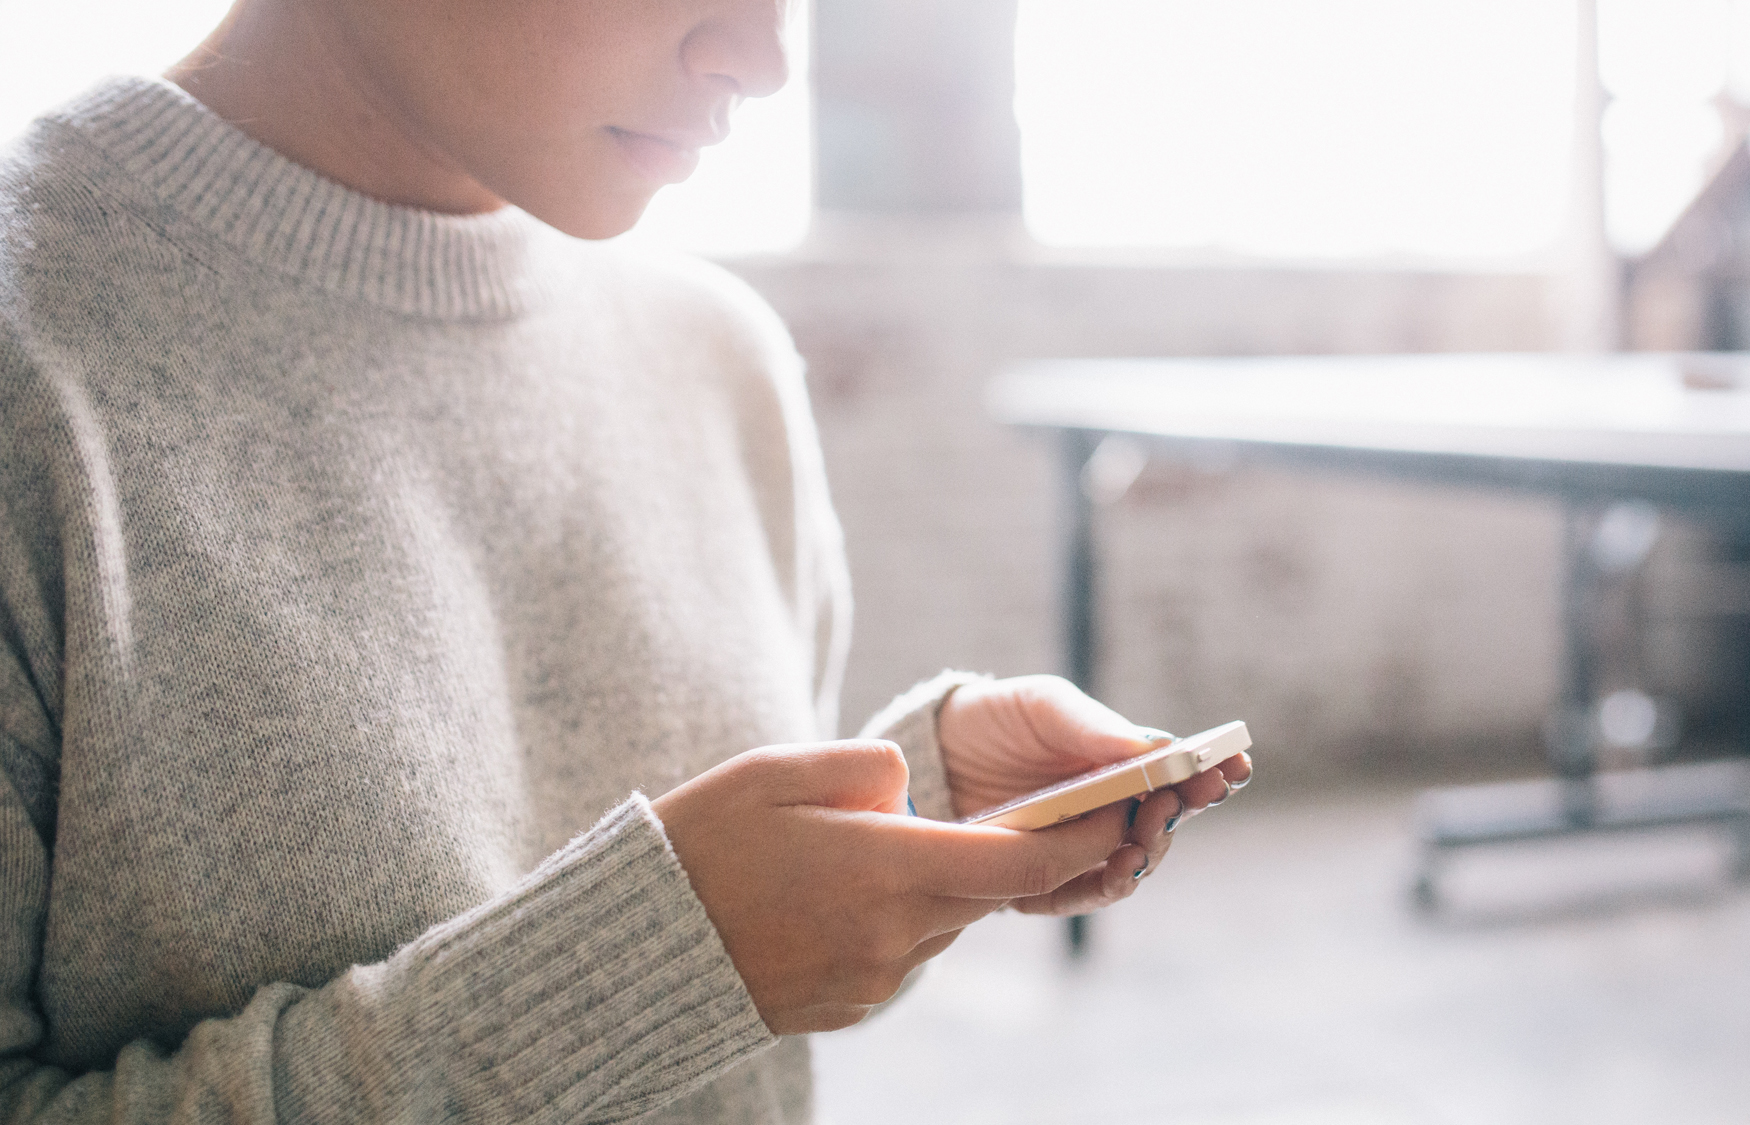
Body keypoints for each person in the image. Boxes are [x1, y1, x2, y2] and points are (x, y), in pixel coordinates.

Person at [0, 0, 1252, 1121]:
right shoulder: (34, 356)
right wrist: (646, 967)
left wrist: (907, 805)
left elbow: (728, 1000)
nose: (762, 57)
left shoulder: (715, 356)